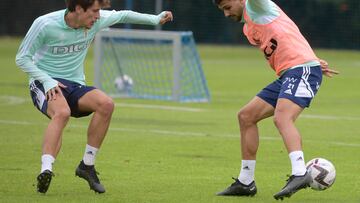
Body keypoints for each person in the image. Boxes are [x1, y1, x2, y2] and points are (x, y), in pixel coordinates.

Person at [15, 0, 173, 194]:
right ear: (79, 9)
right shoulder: (45, 24)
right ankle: (46, 169)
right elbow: (22, 58)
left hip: (75, 85)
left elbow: (123, 15)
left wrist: (156, 19)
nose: (98, 17)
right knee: (62, 113)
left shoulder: (96, 19)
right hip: (43, 82)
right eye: (95, 11)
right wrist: (47, 80)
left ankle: (87, 165)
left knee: (106, 104)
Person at [212, 0, 339, 200]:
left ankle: (300, 173)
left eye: (228, 7)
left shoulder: (257, 6)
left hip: (301, 71)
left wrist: (309, 62)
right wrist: (310, 57)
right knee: (246, 116)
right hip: (290, 73)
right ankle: (246, 182)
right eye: (223, 10)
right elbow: (290, 33)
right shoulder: (248, 26)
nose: (226, 14)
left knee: (282, 118)